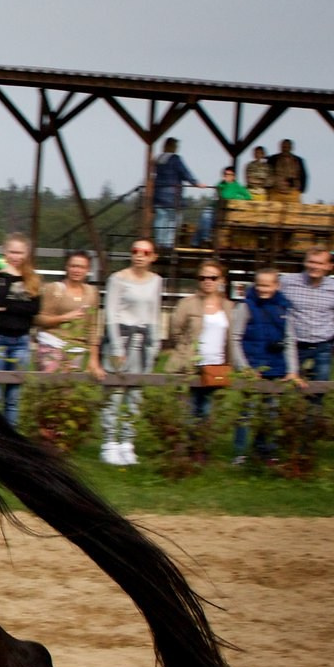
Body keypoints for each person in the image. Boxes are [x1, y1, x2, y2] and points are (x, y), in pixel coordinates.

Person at [95, 239, 163, 465]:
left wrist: (154, 345)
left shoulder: (156, 281)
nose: (139, 255)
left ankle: (127, 442)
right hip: (121, 338)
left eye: (145, 252)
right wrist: (116, 346)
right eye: (135, 251)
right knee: (114, 393)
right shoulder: (118, 279)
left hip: (142, 341)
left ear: (153, 256)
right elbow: (111, 313)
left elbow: (154, 314)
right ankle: (109, 442)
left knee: (135, 395)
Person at [229, 269, 294, 463]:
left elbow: (290, 340)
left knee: (271, 413)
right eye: (259, 285)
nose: (262, 289)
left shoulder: (284, 309)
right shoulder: (246, 307)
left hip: (276, 367)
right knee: (246, 412)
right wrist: (244, 368)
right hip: (252, 367)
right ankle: (239, 453)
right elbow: (235, 338)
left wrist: (292, 370)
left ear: (276, 286)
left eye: (267, 285)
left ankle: (268, 451)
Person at [278, 248, 334, 388]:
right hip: (294, 344)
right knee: (286, 386)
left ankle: (316, 409)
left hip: (323, 345)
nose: (314, 266)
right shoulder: (286, 282)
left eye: (320, 263)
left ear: (329, 266)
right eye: (311, 262)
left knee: (320, 388)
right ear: (305, 262)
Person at [0, 233, 43, 420]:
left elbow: (34, 308)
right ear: (4, 252)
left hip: (21, 341)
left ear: (27, 254)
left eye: (20, 252)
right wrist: (7, 274)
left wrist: (7, 306)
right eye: (12, 252)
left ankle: (10, 438)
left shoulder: (32, 278)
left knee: (13, 397)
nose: (15, 256)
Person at [163, 259, 233, 419]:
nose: (208, 281)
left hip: (217, 367)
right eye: (203, 278)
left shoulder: (228, 306)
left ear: (222, 280)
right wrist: (186, 351)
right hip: (191, 366)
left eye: (213, 278)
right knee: (187, 413)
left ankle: (201, 444)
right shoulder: (186, 304)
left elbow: (231, 338)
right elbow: (175, 331)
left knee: (208, 415)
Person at [150, 137, 198, 250]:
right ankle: (168, 244)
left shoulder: (159, 160)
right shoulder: (175, 159)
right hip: (172, 196)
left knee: (160, 220)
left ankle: (159, 243)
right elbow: (184, 172)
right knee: (172, 221)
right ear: (172, 147)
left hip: (159, 195)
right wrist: (195, 182)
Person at [201, 164, 252, 244]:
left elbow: (248, 197)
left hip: (227, 212)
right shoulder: (220, 184)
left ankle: (205, 238)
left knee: (207, 216)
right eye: (225, 174)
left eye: (229, 174)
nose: (226, 176)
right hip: (217, 207)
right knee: (205, 214)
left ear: (233, 176)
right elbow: (221, 195)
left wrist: (236, 198)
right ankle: (202, 240)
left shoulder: (237, 186)